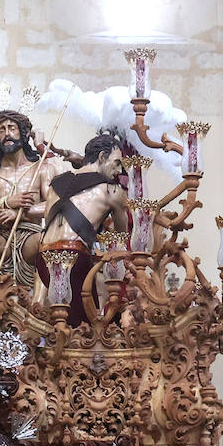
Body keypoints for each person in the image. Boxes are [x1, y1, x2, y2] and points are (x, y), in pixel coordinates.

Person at [0, 110, 63, 289]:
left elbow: (54, 203)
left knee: (48, 240)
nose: (7, 133)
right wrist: (6, 202)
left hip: (30, 234)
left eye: (12, 128)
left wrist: (20, 214)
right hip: (1, 236)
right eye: (1, 130)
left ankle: (44, 300)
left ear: (24, 133)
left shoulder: (41, 168)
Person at [34, 129, 130, 319]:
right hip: (74, 259)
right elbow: (120, 239)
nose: (119, 171)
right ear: (102, 157)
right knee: (87, 326)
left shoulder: (56, 183)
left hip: (44, 259)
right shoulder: (112, 190)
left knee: (59, 322)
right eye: (117, 163)